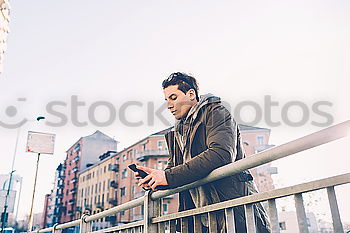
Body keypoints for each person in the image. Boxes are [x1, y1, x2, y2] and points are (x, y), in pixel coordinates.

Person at [137, 72, 271, 233]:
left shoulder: (215, 112)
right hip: (200, 216)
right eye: (166, 100)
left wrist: (168, 177)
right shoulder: (178, 131)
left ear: (191, 94)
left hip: (231, 207)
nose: (169, 106)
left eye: (173, 98)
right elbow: (174, 169)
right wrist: (156, 179)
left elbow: (221, 154)